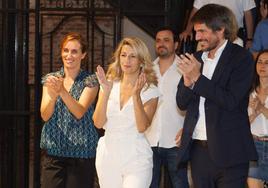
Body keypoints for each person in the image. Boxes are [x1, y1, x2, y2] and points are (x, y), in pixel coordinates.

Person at [176, 4, 258, 188]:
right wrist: (188, 84)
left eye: (202, 31)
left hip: (231, 151)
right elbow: (181, 103)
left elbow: (231, 101)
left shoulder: (241, 57)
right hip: (198, 151)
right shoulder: (195, 58)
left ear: (221, 30)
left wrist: (198, 77)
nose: (197, 37)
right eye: (196, 31)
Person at [93, 37, 160, 188]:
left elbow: (142, 126)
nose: (127, 60)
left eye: (132, 56)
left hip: (136, 156)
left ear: (141, 61)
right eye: (123, 55)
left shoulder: (151, 91)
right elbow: (98, 122)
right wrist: (105, 92)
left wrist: (136, 96)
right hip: (108, 154)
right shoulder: (109, 84)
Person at [40, 32, 99, 188]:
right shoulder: (50, 79)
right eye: (66, 50)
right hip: (53, 152)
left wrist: (62, 91)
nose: (69, 55)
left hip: (81, 154)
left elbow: (79, 112)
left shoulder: (90, 80)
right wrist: (52, 96)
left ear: (83, 55)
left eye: (74, 51)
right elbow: (45, 116)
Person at [145, 26, 189, 188]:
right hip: (149, 139)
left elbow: (194, 101)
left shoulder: (185, 68)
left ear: (176, 44)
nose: (161, 44)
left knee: (180, 185)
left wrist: (187, 127)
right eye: (158, 40)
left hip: (175, 140)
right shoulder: (148, 69)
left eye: (166, 40)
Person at [179, 0, 256, 49]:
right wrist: (188, 30)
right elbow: (196, 10)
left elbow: (248, 13)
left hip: (234, 32)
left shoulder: (238, 42)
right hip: (209, 33)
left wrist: (249, 38)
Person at [247, 50, 268, 188]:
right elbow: (241, 124)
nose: (262, 65)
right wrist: (254, 114)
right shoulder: (248, 90)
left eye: (267, 63)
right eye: (259, 61)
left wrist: (262, 108)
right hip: (254, 145)